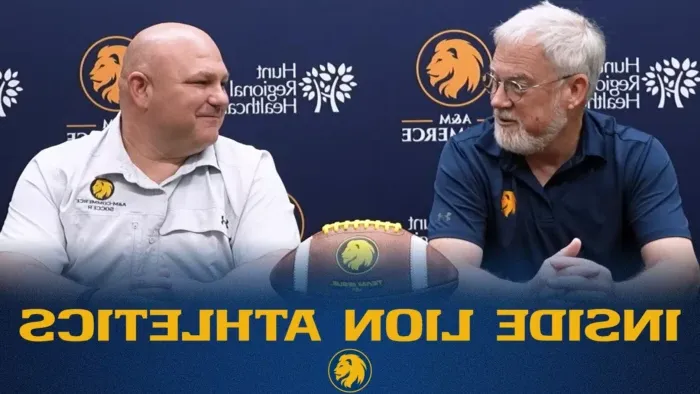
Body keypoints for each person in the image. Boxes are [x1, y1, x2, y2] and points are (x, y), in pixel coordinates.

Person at [0, 22, 300, 306]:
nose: (221, 98)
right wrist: (94, 304)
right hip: (82, 354)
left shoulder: (251, 169)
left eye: (223, 83)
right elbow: (18, 272)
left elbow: (274, 273)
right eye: (201, 82)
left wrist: (195, 304)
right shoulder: (56, 168)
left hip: (211, 355)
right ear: (141, 88)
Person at [428, 1, 700, 304]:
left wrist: (615, 296)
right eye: (494, 81)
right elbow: (448, 272)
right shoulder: (469, 153)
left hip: (612, 340)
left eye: (517, 85)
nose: (497, 100)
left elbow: (681, 270)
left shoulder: (636, 155)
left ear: (574, 91)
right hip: (502, 341)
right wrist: (527, 296)